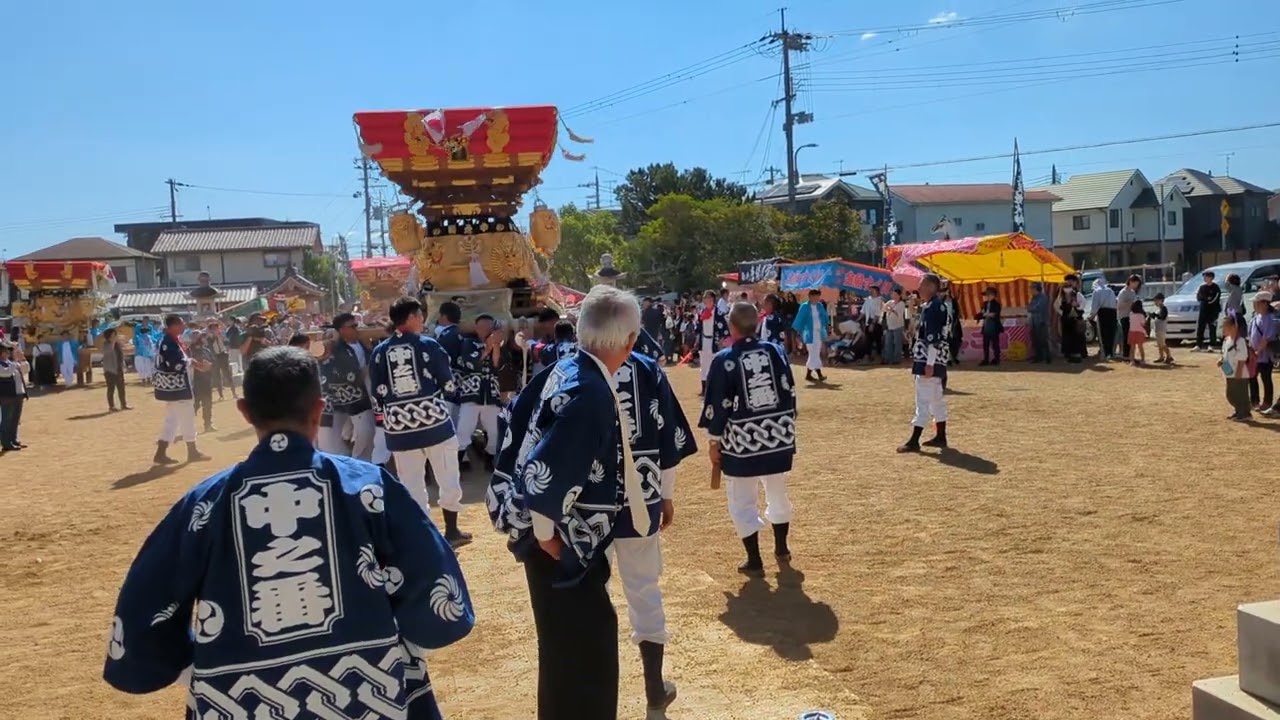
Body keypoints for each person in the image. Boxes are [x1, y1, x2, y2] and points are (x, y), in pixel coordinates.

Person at [101, 346, 474, 719]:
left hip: (241, 702)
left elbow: (145, 606)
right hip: (368, 694)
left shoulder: (204, 504)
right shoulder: (367, 488)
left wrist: (192, 665)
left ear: (245, 412)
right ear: (318, 409)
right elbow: (432, 582)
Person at [487, 285, 650, 720]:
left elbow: (517, 427)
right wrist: (546, 536)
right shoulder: (589, 392)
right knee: (585, 654)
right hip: (559, 544)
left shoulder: (567, 369)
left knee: (564, 654)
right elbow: (547, 475)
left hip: (551, 536)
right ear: (630, 340)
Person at [609, 336, 697, 715]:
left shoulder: (565, 368)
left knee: (586, 596)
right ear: (630, 334)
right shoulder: (646, 369)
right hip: (639, 498)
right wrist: (666, 494)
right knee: (643, 588)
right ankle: (653, 691)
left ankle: (591, 693)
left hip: (581, 507)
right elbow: (668, 439)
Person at [700, 302, 797, 576]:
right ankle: (781, 547)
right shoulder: (775, 351)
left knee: (742, 499)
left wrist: (713, 440)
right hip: (776, 434)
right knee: (778, 492)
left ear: (731, 327)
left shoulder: (724, 359)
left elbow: (718, 405)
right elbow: (789, 390)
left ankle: (754, 558)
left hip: (742, 442)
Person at [371, 297, 470, 547]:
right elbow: (447, 383)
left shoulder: (380, 352)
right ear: (413, 317)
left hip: (399, 427)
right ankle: (452, 531)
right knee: (447, 476)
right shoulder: (429, 345)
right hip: (434, 422)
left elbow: (377, 393)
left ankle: (425, 536)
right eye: (419, 315)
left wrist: (388, 419)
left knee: (412, 483)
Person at [899, 274, 951, 452]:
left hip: (929, 357)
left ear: (931, 287)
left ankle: (914, 439)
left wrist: (929, 363)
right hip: (936, 357)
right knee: (936, 398)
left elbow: (933, 338)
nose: (919, 289)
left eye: (922, 285)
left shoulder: (934, 307)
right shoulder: (935, 306)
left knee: (922, 398)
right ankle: (941, 436)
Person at [153, 315, 209, 464]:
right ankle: (192, 452)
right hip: (177, 387)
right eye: (181, 324)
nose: (184, 326)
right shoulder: (169, 342)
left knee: (172, 420)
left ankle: (160, 453)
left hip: (172, 387)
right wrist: (192, 362)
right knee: (186, 418)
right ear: (174, 326)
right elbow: (175, 364)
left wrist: (192, 362)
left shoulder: (168, 340)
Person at [454, 314, 504, 473]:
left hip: (491, 394)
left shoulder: (498, 344)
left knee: (495, 431)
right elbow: (471, 363)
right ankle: (457, 465)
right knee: (463, 430)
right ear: (476, 329)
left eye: (488, 327)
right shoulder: (468, 343)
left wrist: (496, 346)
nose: (485, 330)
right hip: (471, 394)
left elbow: (497, 365)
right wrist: (488, 347)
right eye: (482, 327)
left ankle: (489, 460)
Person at [328, 312, 376, 461]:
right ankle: (358, 460)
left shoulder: (361, 343)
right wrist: (369, 366)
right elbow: (353, 376)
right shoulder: (338, 350)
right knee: (364, 431)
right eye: (352, 326)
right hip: (352, 397)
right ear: (341, 330)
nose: (357, 328)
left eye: (357, 325)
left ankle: (363, 459)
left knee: (368, 431)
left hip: (367, 394)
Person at [792, 288, 830, 383]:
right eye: (815, 296)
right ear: (810, 296)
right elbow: (799, 319)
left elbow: (825, 316)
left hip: (819, 332)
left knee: (815, 353)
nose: (817, 298)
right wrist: (797, 331)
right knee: (813, 353)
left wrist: (827, 325)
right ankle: (819, 374)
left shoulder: (820, 306)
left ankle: (809, 375)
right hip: (809, 333)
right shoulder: (804, 306)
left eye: (818, 296)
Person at [1248, 291, 1276, 414]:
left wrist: (1258, 351)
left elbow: (1267, 337)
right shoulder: (1254, 318)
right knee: (1252, 377)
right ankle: (1254, 401)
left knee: (1266, 378)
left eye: (1257, 302)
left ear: (1265, 303)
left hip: (1265, 355)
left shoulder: (1269, 319)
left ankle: (1267, 402)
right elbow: (1250, 336)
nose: (1254, 305)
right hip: (1254, 355)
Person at [697, 290, 730, 394]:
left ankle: (715, 386)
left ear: (712, 299)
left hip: (714, 341)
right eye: (704, 298)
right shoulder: (703, 312)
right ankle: (704, 387)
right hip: (704, 340)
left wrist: (721, 341)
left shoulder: (718, 313)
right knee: (703, 364)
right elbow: (699, 328)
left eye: (707, 298)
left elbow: (724, 329)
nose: (705, 300)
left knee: (714, 364)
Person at [1221, 315, 1252, 421]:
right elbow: (1225, 354)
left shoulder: (1240, 341)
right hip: (1229, 372)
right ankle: (1238, 410)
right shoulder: (1227, 340)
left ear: (1234, 327)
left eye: (1226, 327)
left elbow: (1243, 357)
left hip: (1239, 372)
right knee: (1231, 394)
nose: (1223, 329)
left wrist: (1239, 372)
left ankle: (1245, 413)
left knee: (1241, 394)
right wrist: (1221, 361)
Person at [0, 341, 27, 452]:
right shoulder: (5, 364)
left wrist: (22, 359)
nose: (8, 352)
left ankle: (13, 439)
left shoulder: (10, 362)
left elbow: (26, 370)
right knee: (7, 419)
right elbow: (5, 373)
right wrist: (15, 362)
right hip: (7, 395)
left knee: (15, 419)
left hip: (18, 393)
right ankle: (6, 442)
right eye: (6, 350)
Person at [189, 331, 217, 432]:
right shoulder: (189, 351)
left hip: (206, 382)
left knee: (208, 405)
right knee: (194, 406)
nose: (199, 339)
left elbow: (213, 363)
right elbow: (189, 365)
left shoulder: (206, 350)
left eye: (200, 337)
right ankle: (187, 427)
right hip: (194, 383)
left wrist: (209, 365)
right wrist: (200, 367)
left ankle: (208, 425)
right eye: (196, 337)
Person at [1056, 275, 1086, 363]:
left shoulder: (1077, 294)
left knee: (1077, 337)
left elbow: (1083, 304)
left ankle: (1078, 354)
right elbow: (1056, 306)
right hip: (1066, 320)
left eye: (1070, 283)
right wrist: (1063, 313)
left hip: (1076, 319)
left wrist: (1077, 306)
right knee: (1067, 337)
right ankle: (1068, 355)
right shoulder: (1061, 296)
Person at [100, 327, 130, 411]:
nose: (115, 336)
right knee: (111, 388)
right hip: (109, 369)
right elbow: (108, 351)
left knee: (121, 388)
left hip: (118, 368)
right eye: (113, 335)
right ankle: (111, 406)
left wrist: (123, 366)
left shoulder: (117, 344)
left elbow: (120, 356)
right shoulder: (106, 344)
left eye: (115, 335)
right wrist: (113, 341)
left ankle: (123, 405)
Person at [1089, 276, 1119, 360]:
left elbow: (1095, 306)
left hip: (1103, 313)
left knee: (1102, 334)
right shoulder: (1110, 291)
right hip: (1113, 313)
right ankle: (1111, 352)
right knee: (1111, 333)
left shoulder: (1096, 291)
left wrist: (1091, 316)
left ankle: (1104, 353)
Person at [1115, 275, 1142, 360]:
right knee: (1126, 335)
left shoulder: (1132, 292)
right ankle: (1125, 354)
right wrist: (1129, 303)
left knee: (1130, 336)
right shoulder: (1123, 292)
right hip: (1123, 316)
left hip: (1131, 316)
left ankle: (1130, 354)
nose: (1136, 286)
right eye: (1135, 284)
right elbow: (1119, 306)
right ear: (1131, 282)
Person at [1195, 271, 1222, 352]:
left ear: (1211, 278)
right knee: (1200, 327)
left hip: (1213, 311)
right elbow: (1199, 297)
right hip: (1203, 310)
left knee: (1212, 328)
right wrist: (1206, 299)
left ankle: (1212, 345)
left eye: (1206, 276)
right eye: (1204, 277)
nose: (1205, 278)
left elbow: (1214, 299)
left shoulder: (1216, 287)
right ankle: (1198, 345)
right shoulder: (1202, 287)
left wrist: (1206, 300)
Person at [977, 287, 1003, 366]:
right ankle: (986, 359)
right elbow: (982, 313)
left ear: (993, 295)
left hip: (994, 325)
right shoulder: (984, 304)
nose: (986, 297)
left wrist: (985, 314)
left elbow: (994, 314)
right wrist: (979, 316)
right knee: (986, 344)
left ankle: (997, 359)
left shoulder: (997, 304)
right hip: (986, 325)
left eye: (988, 295)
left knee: (995, 343)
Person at [1027, 282, 1051, 364]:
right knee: (1035, 340)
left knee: (1043, 340)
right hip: (1034, 321)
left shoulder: (1043, 297)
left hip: (1041, 321)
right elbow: (1029, 307)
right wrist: (1030, 308)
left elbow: (1037, 308)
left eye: (1032, 288)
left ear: (1036, 289)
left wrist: (1030, 308)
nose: (1030, 290)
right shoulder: (1033, 298)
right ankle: (1038, 356)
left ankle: (1047, 357)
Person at [883, 288, 907, 365]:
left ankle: (897, 359)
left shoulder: (901, 303)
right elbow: (884, 308)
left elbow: (898, 314)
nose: (894, 296)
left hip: (898, 326)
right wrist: (887, 307)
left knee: (897, 343)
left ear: (899, 295)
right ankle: (887, 358)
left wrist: (890, 309)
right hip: (889, 325)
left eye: (895, 294)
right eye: (893, 294)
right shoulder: (890, 302)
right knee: (888, 343)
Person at [863, 285, 886, 361]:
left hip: (876, 323)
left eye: (872, 290)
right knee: (868, 341)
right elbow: (863, 311)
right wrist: (857, 320)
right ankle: (867, 357)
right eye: (870, 290)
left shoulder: (879, 300)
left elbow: (877, 313)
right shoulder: (867, 300)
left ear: (877, 291)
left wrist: (872, 324)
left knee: (877, 340)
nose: (870, 291)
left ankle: (879, 357)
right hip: (867, 322)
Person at [1150, 293, 1172, 365]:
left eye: (1156, 301)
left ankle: (1169, 356)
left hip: (1161, 329)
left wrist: (1155, 315)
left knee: (1162, 344)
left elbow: (1162, 317)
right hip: (1158, 328)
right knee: (1159, 344)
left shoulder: (1164, 308)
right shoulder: (1159, 309)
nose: (1155, 302)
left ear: (1161, 300)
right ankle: (1161, 356)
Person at [1127, 299, 1147, 366]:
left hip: (1132, 331)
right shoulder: (1141, 315)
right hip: (1140, 332)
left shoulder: (1131, 314)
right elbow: (1143, 324)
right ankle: (1143, 360)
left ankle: (1132, 361)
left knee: (1132, 347)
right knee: (1140, 347)